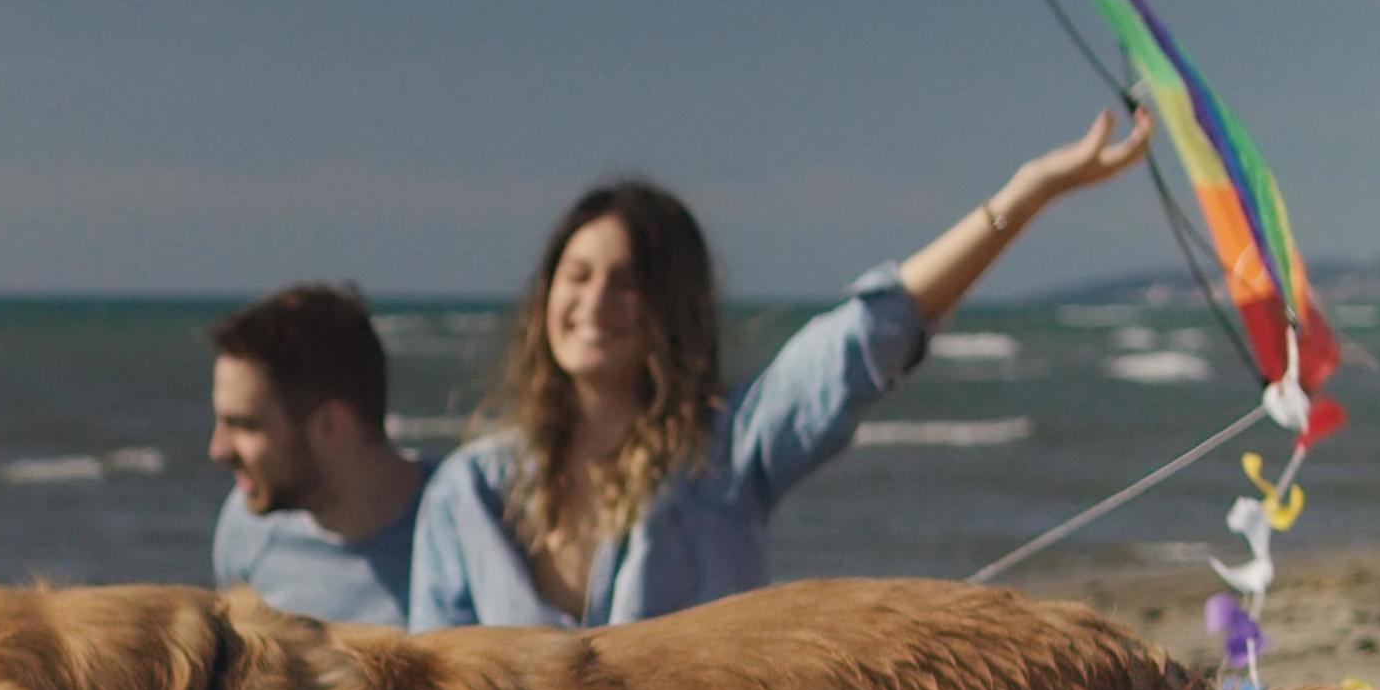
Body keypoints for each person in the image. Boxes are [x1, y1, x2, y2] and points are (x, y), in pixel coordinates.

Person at [408, 111, 1155, 630]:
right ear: (546, 295)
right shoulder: (468, 494)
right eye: (577, 275)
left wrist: (1024, 197)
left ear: (672, 305)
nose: (597, 300)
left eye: (628, 280)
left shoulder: (724, 457)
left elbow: (866, 337)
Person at [205, 281, 420, 627]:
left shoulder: (461, 519)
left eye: (244, 424)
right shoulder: (245, 528)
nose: (218, 449)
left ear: (330, 426)